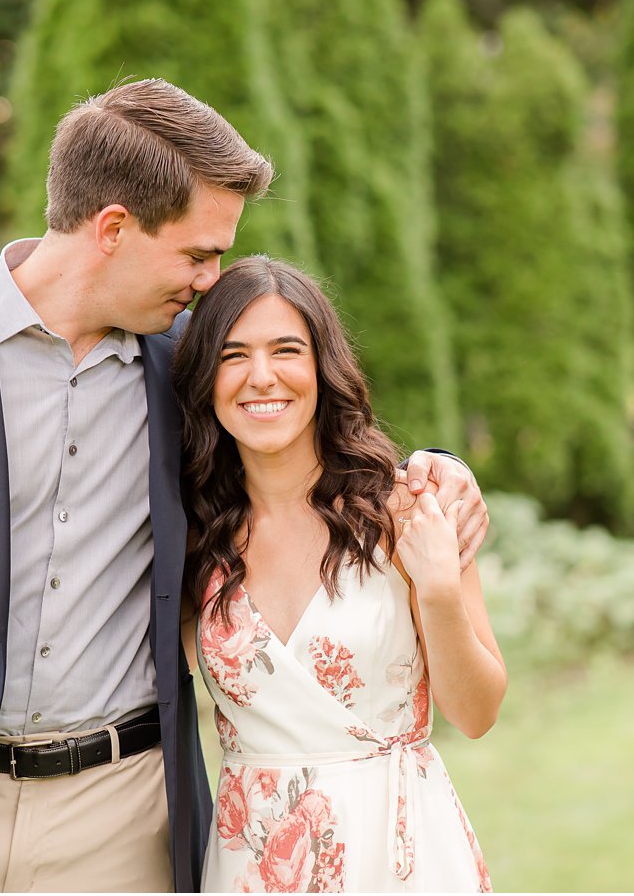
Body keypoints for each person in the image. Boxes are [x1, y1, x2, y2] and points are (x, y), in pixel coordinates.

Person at [0, 78, 491, 893]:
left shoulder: (189, 367)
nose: (212, 279)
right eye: (197, 252)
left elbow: (307, 433)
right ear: (113, 227)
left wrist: (440, 469)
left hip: (123, 818)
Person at [172, 256, 506, 893]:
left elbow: (477, 712)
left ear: (322, 369)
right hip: (253, 861)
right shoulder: (195, 537)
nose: (261, 376)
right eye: (233, 354)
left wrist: (437, 591)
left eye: (286, 349)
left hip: (399, 849)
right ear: (204, 379)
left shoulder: (405, 508)